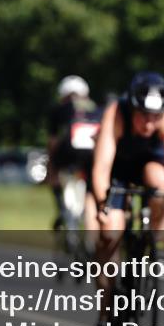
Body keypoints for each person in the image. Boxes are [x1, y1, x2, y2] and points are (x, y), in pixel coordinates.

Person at [90, 72, 164, 326]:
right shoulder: (116, 113)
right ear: (132, 108)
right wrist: (103, 205)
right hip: (117, 172)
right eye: (143, 116)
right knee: (110, 233)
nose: (149, 124)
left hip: (149, 169)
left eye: (155, 117)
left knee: (162, 181)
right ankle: (106, 311)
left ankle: (156, 241)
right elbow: (101, 167)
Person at [45, 75, 99, 231]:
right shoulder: (95, 108)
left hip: (67, 157)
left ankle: (62, 210)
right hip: (91, 157)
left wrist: (51, 165)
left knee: (53, 174)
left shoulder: (59, 109)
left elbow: (52, 141)